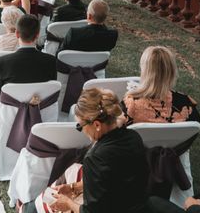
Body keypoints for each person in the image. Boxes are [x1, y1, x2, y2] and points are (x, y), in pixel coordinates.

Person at [47, 88, 176, 213]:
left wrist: (68, 203)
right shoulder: (133, 137)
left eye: (80, 126)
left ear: (97, 125)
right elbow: (114, 180)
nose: (82, 131)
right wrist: (73, 187)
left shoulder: (95, 158)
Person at [0, 14, 56, 118]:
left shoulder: (3, 62)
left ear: (17, 34)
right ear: (37, 35)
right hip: (40, 112)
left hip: (10, 113)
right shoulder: (50, 61)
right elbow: (51, 89)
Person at [122, 46, 200, 125]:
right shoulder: (186, 104)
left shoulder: (131, 105)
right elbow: (193, 131)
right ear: (172, 72)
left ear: (145, 71)